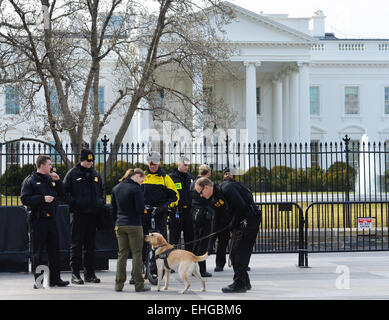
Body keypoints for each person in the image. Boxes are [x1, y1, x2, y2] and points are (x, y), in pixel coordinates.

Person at [194, 177, 261, 293]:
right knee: (235, 253)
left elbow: (241, 206)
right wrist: (210, 244)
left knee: (239, 254)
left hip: (249, 221)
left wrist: (232, 223)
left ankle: (239, 284)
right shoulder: (214, 198)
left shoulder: (227, 189)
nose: (200, 195)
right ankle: (245, 282)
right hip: (239, 223)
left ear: (207, 187)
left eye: (201, 192)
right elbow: (216, 220)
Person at [20, 155, 69, 288]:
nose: (51, 166)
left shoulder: (51, 178)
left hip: (51, 219)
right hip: (37, 220)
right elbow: (25, 199)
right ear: (41, 165)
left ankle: (55, 279)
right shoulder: (30, 180)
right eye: (49, 164)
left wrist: (58, 182)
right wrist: (42, 199)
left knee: (54, 250)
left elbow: (63, 195)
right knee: (39, 252)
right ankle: (39, 281)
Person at [63, 149, 105, 285]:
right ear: (82, 160)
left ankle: (89, 274)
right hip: (78, 214)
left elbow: (102, 191)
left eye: (92, 160)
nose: (90, 163)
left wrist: (100, 202)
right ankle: (75, 274)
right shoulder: (73, 174)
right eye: (88, 160)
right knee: (76, 244)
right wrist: (75, 203)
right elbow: (64, 193)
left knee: (90, 246)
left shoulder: (95, 174)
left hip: (92, 214)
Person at [111, 168, 151, 292]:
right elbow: (139, 208)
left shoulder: (116, 188)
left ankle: (118, 285)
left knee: (122, 254)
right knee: (137, 254)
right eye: (142, 179)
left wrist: (117, 221)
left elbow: (113, 209)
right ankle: (139, 285)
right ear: (137, 176)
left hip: (120, 224)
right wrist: (145, 209)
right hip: (134, 224)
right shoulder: (136, 189)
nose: (142, 182)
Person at [141, 151, 179, 262]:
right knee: (143, 239)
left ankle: (164, 262)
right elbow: (136, 195)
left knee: (162, 239)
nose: (153, 166)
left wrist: (165, 206)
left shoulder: (165, 178)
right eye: (151, 163)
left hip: (160, 213)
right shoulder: (143, 176)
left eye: (155, 163)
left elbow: (175, 197)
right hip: (145, 213)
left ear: (159, 163)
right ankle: (143, 264)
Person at [207, 168, 234, 272]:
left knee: (236, 243)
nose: (227, 175)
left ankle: (238, 262)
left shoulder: (236, 186)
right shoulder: (219, 186)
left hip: (233, 217)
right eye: (226, 174)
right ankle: (219, 264)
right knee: (222, 243)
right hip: (221, 219)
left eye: (230, 174)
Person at [190, 164, 213, 278]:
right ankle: (202, 270)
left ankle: (194, 268)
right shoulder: (205, 183)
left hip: (194, 212)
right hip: (203, 213)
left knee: (196, 242)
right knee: (203, 243)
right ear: (208, 173)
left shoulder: (193, 182)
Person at [168, 156, 195, 252]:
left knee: (190, 239)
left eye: (188, 165)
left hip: (189, 212)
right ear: (178, 164)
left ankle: (189, 262)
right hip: (176, 212)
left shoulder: (191, 178)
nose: (187, 167)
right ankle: (172, 263)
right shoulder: (171, 177)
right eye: (185, 165)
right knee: (174, 240)